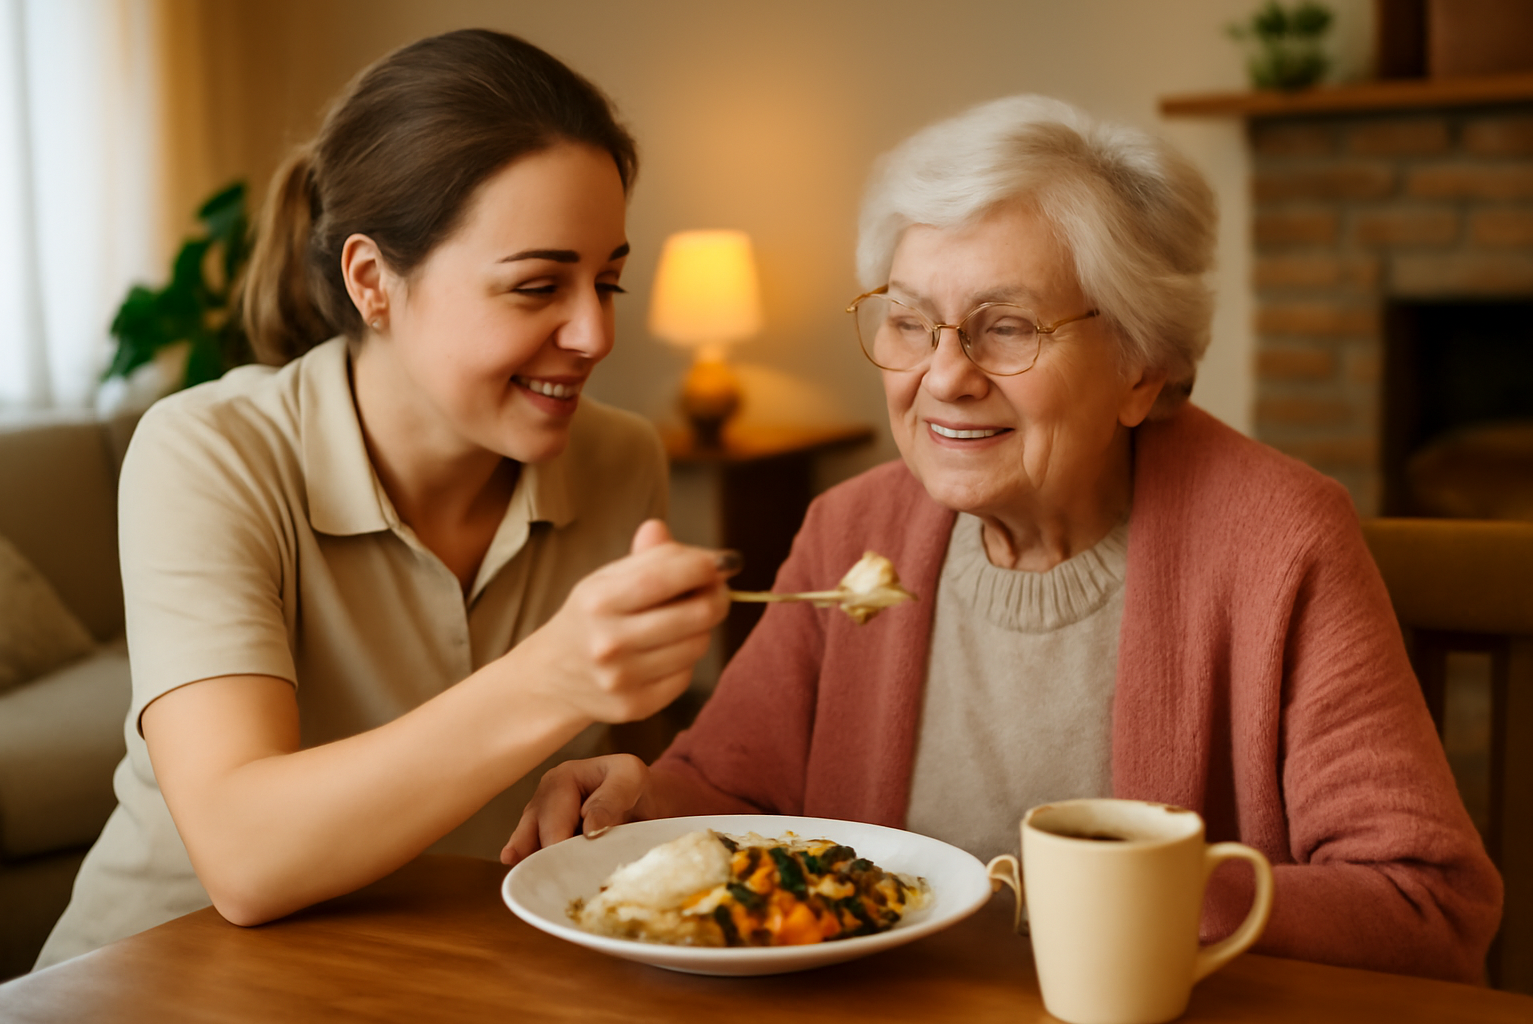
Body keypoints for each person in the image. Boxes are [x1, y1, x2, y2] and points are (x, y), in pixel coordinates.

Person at [503, 95, 1503, 983]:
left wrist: (1142, 903)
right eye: (909, 322)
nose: (944, 375)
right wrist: (641, 802)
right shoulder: (854, 527)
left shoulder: (1279, 539)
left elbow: (1429, 906)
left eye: (1006, 327)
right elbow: (732, 786)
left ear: (1143, 367)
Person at [37, 29, 734, 968]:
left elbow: (621, 789)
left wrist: (624, 785)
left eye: (607, 279)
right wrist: (556, 675)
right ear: (373, 280)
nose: (594, 331)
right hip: (168, 978)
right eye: (537, 285)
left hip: (451, 977)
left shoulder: (621, 460)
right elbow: (243, 859)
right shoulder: (209, 451)